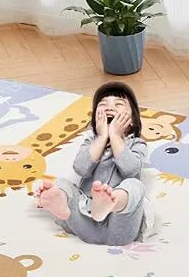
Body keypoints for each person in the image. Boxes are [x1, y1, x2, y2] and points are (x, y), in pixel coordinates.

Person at [36, 81, 150, 245]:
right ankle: (61, 205)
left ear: (131, 121)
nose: (109, 107)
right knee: (62, 184)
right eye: (103, 105)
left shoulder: (137, 144)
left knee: (135, 185)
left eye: (118, 104)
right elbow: (80, 168)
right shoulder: (91, 141)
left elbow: (130, 169)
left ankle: (111, 202)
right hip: (82, 221)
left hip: (119, 227)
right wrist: (103, 137)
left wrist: (116, 136)